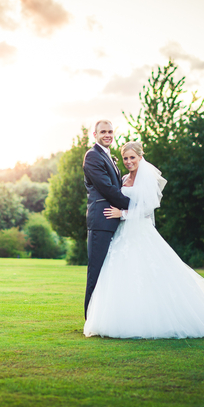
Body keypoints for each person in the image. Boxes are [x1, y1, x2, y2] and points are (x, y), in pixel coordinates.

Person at [84, 141, 204, 339]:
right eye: (125, 158)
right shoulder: (123, 178)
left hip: (139, 231)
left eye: (133, 157)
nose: (129, 161)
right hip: (124, 234)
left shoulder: (147, 178)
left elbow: (148, 208)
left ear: (141, 157)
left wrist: (122, 213)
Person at [82, 120, 130, 319]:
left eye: (110, 131)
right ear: (95, 134)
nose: (108, 134)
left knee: (109, 271)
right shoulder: (93, 156)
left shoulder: (109, 156)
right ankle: (91, 319)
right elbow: (107, 188)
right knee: (96, 270)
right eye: (103, 132)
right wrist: (132, 204)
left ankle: (105, 318)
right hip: (101, 220)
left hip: (112, 220)